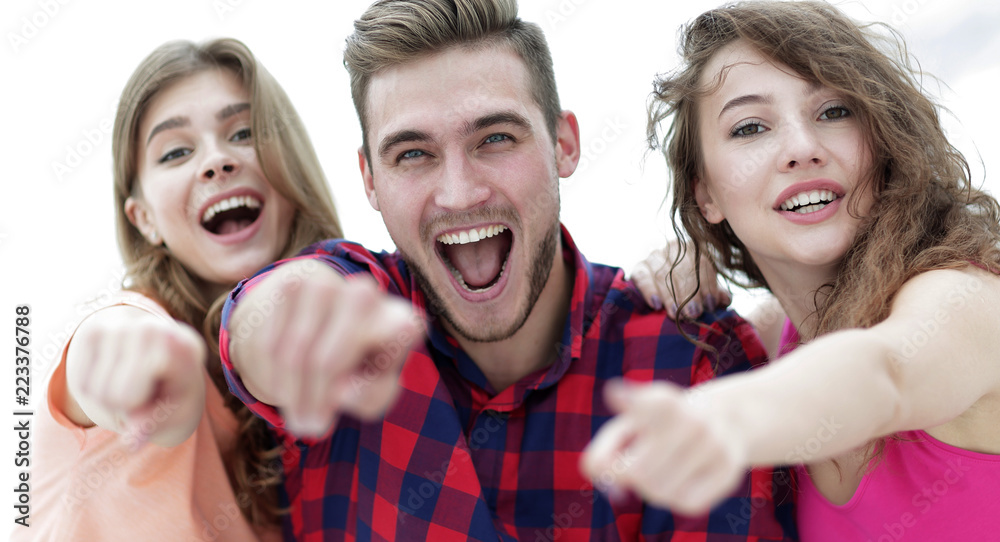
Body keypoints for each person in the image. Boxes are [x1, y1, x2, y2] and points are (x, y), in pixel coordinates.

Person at [220, 0, 797, 540]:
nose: (460, 193)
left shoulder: (690, 356)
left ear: (564, 144)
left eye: (495, 138)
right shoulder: (350, 328)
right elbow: (274, 312)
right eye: (413, 154)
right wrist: (283, 326)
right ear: (370, 180)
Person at [581, 2, 1000, 541]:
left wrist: (723, 419)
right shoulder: (767, 341)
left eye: (834, 111)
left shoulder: (965, 296)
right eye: (751, 127)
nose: (802, 149)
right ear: (704, 192)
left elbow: (884, 373)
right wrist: (665, 272)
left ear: (883, 136)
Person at [19, 38, 343, 541]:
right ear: (143, 219)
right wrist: (135, 369)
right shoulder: (135, 318)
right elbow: (113, 342)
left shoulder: (300, 422)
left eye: (243, 132)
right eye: (175, 152)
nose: (216, 161)